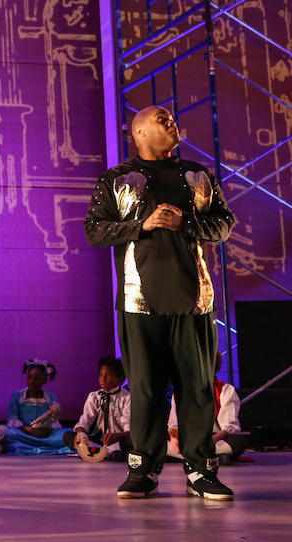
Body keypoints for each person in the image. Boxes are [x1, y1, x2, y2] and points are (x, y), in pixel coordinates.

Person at [84, 105, 235, 500]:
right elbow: (94, 230)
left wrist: (184, 222)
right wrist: (142, 225)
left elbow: (223, 224)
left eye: (171, 117)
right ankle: (143, 471)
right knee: (148, 391)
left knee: (198, 389)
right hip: (139, 300)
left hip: (194, 299)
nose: (171, 121)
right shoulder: (117, 179)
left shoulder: (198, 175)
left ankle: (201, 471)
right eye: (161, 118)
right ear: (139, 133)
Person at [168, 351, 246, 465]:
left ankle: (189, 456)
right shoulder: (182, 391)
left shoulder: (225, 389)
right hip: (187, 438)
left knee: (237, 442)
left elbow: (229, 427)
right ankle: (209, 457)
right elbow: (174, 425)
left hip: (213, 438)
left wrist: (207, 442)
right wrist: (176, 440)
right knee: (156, 440)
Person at [63, 356, 132, 462]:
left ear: (120, 380)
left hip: (119, 440)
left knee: (131, 440)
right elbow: (84, 421)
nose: (103, 379)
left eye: (108, 376)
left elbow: (128, 428)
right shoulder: (94, 396)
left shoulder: (127, 397)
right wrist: (81, 435)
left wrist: (116, 436)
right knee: (67, 436)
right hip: (99, 440)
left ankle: (99, 452)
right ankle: (108, 452)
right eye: (100, 375)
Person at [5, 359, 72, 455]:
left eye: (36, 378)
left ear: (44, 380)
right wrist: (31, 431)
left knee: (68, 432)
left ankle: (42, 443)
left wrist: (44, 431)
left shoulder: (50, 397)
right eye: (29, 377)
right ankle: (44, 445)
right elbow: (13, 419)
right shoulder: (17, 396)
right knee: (10, 433)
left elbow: (53, 420)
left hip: (45, 434)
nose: (32, 381)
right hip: (25, 433)